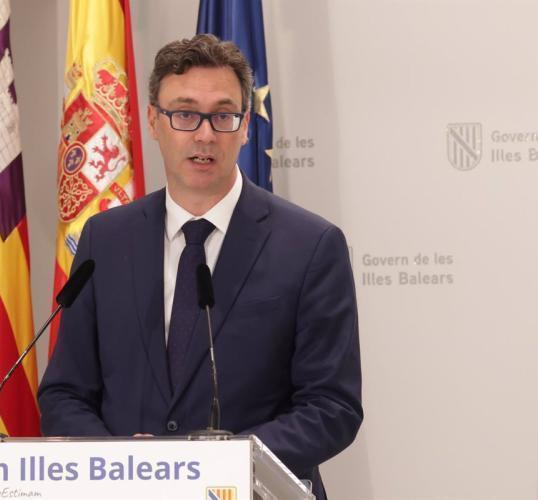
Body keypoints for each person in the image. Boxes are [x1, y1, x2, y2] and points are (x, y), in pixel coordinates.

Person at [38, 34, 362, 499]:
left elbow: (332, 407)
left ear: (246, 125)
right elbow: (64, 393)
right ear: (153, 121)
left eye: (223, 116)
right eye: (185, 114)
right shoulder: (104, 240)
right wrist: (121, 465)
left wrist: (210, 466)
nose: (205, 135)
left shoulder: (310, 245)